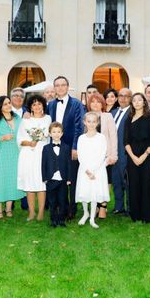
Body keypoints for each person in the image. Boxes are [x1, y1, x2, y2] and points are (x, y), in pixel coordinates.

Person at [46, 75, 85, 220]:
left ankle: (72, 209)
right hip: (55, 147)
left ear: (67, 87)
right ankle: (58, 207)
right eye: (57, 85)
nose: (60, 87)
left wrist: (75, 147)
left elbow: (79, 127)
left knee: (72, 179)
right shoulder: (50, 105)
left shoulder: (76, 104)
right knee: (57, 177)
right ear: (54, 88)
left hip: (71, 148)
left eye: (63, 85)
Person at [17, 94, 51, 221]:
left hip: (42, 154)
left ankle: (41, 212)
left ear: (43, 105)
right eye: (34, 104)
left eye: (39, 104)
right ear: (30, 107)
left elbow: (49, 134)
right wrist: (29, 143)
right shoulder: (25, 121)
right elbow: (19, 139)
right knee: (30, 182)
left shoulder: (48, 118)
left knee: (41, 183)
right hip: (28, 154)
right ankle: (31, 212)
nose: (37, 106)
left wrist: (41, 136)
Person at [124, 92, 150, 223]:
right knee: (134, 185)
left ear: (144, 102)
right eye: (134, 100)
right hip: (132, 157)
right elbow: (125, 141)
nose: (137, 102)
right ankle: (135, 214)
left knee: (147, 184)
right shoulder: (128, 119)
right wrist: (133, 157)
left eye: (139, 100)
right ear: (132, 104)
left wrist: (144, 155)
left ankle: (147, 215)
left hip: (146, 156)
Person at [76, 112, 110, 228]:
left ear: (97, 122)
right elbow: (80, 155)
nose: (91, 124)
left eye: (94, 121)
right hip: (85, 169)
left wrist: (93, 170)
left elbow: (102, 154)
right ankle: (85, 213)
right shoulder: (81, 138)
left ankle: (92, 218)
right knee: (85, 191)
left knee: (94, 192)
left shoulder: (101, 137)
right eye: (88, 121)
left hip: (98, 169)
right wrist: (87, 170)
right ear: (84, 122)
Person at [87, 93, 118, 219]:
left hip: (106, 156)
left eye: (98, 101)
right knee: (93, 182)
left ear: (102, 104)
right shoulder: (87, 117)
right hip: (92, 157)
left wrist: (113, 155)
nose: (95, 104)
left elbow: (113, 136)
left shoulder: (107, 116)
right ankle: (95, 206)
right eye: (92, 102)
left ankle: (103, 206)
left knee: (106, 181)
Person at [41, 122, 73, 227]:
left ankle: (61, 220)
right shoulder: (46, 148)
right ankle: (53, 219)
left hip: (63, 179)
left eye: (58, 132)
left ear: (62, 133)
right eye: (54, 132)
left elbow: (69, 163)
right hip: (50, 179)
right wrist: (44, 177)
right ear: (50, 134)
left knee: (62, 200)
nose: (56, 134)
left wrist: (69, 178)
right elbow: (43, 164)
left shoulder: (66, 147)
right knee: (52, 201)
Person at [111, 87, 132, 215]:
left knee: (127, 181)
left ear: (130, 98)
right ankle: (119, 206)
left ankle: (130, 207)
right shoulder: (112, 113)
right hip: (113, 153)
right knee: (116, 181)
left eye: (126, 96)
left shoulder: (132, 113)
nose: (123, 98)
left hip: (126, 152)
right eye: (121, 95)